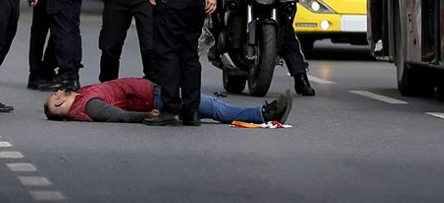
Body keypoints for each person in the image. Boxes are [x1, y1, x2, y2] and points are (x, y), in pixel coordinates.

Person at [43, 77, 292, 125]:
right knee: (213, 108)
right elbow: (117, 115)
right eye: (54, 96)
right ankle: (263, 114)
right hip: (158, 98)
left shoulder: (82, 98)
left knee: (208, 104)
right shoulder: (88, 105)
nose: (57, 92)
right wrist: (148, 116)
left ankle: (260, 114)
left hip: (158, 91)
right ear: (56, 105)